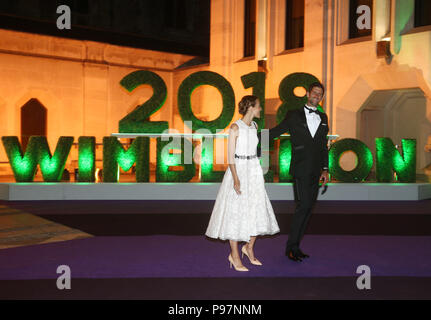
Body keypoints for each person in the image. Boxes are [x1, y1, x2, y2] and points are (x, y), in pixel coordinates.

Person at [205, 95, 280, 272]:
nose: (261, 109)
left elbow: (255, 150)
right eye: (259, 106)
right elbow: (230, 157)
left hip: (253, 169)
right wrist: (236, 179)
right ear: (251, 107)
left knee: (256, 208)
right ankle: (235, 255)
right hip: (237, 170)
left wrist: (258, 170)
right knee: (235, 211)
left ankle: (249, 247)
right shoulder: (234, 127)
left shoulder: (254, 126)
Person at [258, 82, 329, 262]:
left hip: (316, 170)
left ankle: (296, 247)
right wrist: (252, 136)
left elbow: (323, 145)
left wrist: (326, 169)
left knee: (308, 209)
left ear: (322, 97)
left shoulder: (323, 117)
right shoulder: (294, 115)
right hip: (300, 169)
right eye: (314, 93)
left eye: (320, 94)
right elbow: (276, 131)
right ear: (307, 93)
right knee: (303, 206)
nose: (316, 96)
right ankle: (291, 247)